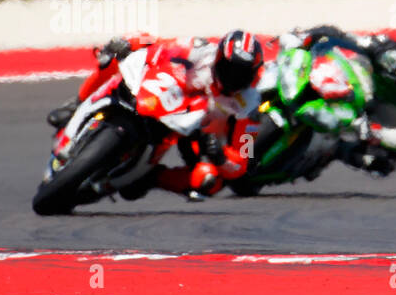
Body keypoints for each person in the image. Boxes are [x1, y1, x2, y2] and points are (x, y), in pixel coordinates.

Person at [48, 30, 264, 199]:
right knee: (114, 54)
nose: (235, 78)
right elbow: (161, 46)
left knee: (210, 180)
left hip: (195, 133)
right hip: (167, 97)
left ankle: (150, 178)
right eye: (231, 69)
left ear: (253, 74)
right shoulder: (200, 50)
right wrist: (130, 43)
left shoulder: (249, 105)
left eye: (243, 74)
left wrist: (221, 157)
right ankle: (77, 103)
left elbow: (242, 162)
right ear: (218, 59)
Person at [284, 24, 396, 176]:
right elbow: (341, 35)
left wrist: (373, 132)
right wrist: (307, 34)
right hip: (352, 93)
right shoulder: (387, 50)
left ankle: (322, 156)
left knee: (380, 163)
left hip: (376, 127)